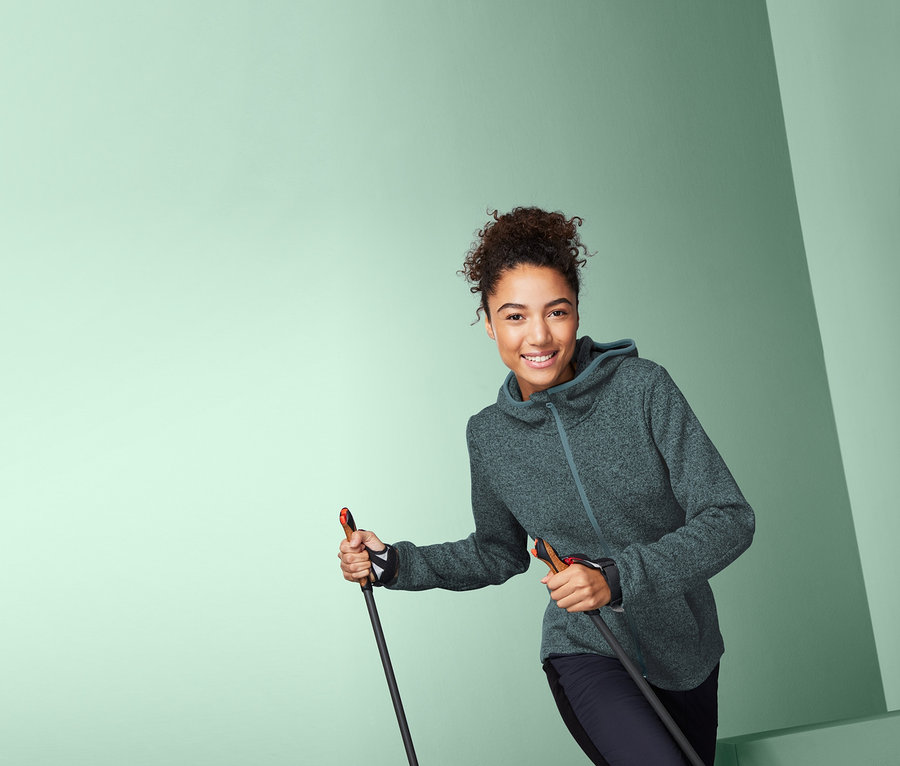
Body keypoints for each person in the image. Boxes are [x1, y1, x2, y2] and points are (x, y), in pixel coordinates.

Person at [339, 207, 754, 766]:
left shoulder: (643, 389)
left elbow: (729, 517)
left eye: (556, 312)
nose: (538, 336)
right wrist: (394, 563)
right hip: (585, 649)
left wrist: (616, 578)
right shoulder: (489, 435)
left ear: (577, 312)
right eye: (514, 316)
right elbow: (497, 552)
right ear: (489, 323)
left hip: (686, 651)